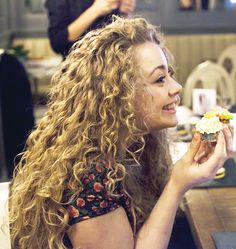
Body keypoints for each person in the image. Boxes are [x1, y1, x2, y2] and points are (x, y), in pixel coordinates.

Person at [9, 17, 233, 249]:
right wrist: (177, 185)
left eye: (170, 74)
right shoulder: (87, 177)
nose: (176, 87)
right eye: (160, 79)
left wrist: (188, 166)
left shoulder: (136, 145)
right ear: (117, 96)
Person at [45, 0, 136, 57]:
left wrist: (125, 13)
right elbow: (57, 43)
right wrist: (96, 10)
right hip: (76, 74)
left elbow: (125, 40)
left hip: (113, 69)